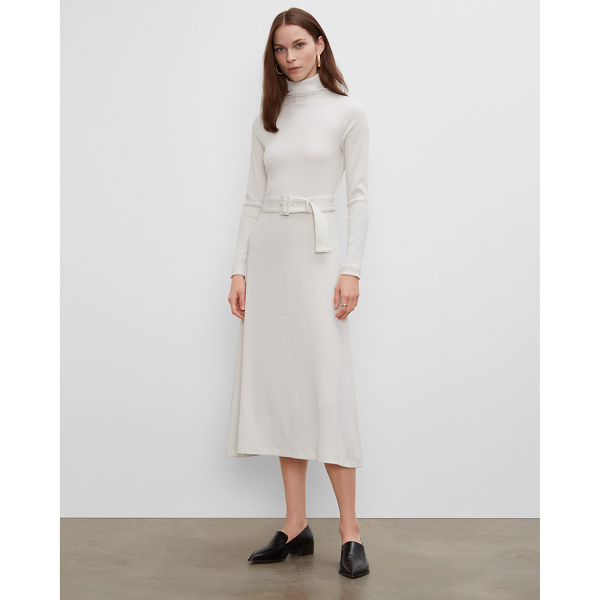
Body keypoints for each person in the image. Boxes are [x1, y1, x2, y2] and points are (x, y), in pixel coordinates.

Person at [226, 8, 370, 578]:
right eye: (280, 49)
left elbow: (359, 196)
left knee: (325, 391)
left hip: (318, 257)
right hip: (270, 257)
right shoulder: (267, 117)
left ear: (320, 45)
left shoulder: (347, 112)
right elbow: (251, 199)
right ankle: (294, 525)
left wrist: (351, 269)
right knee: (286, 389)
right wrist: (238, 270)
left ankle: (350, 532)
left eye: (298, 45)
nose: (289, 57)